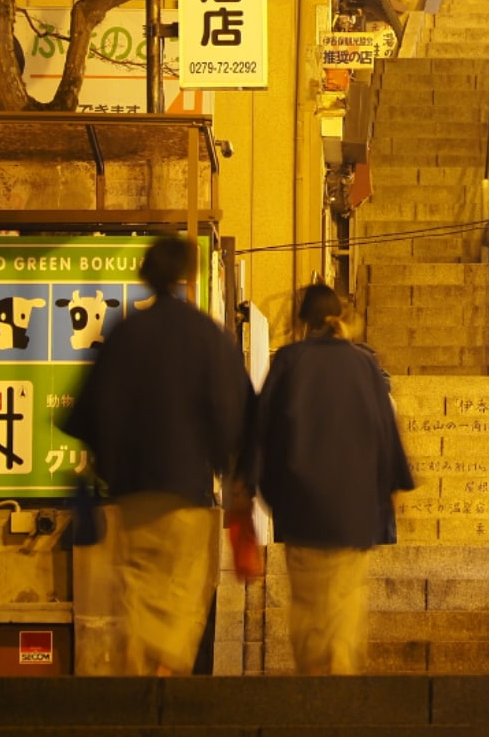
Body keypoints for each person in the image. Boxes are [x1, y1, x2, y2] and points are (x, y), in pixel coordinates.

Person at [61, 235, 251, 676]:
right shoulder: (209, 336)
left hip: (132, 488)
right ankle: (164, 667)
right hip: (186, 484)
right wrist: (232, 470)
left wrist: (106, 461)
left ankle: (140, 660)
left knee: (142, 581)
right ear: (189, 275)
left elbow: (92, 408)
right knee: (183, 584)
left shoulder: (126, 333)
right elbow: (231, 412)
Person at [247, 284, 414, 674]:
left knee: (308, 605)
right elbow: (384, 432)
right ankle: (339, 677)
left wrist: (251, 484)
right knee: (343, 602)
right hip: (354, 510)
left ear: (302, 321)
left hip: (301, 507)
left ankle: (318, 684)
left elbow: (262, 428)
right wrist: (390, 490)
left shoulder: (289, 360)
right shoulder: (364, 365)